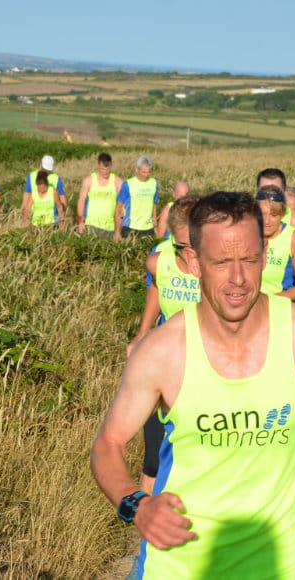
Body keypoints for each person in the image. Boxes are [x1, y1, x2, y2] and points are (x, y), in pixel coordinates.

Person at [90, 191, 295, 579]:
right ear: (193, 262)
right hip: (174, 567)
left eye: (250, 260)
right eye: (221, 262)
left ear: (265, 254)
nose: (238, 279)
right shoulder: (162, 351)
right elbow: (108, 443)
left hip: (278, 567)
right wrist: (136, 504)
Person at [127, 195, 201, 496]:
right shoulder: (159, 262)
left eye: (197, 242)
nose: (191, 252)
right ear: (172, 237)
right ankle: (146, 529)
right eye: (183, 246)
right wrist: (142, 334)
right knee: (153, 456)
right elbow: (157, 292)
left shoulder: (213, 265)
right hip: (166, 364)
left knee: (195, 452)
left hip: (204, 367)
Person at [257, 186, 295, 301]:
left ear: (282, 214)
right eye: (262, 214)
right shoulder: (248, 234)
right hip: (249, 310)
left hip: (278, 308)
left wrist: (269, 300)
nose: (267, 221)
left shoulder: (293, 239)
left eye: (273, 215)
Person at [77, 152, 124, 237]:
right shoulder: (89, 180)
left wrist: (118, 230)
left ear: (111, 165)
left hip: (110, 227)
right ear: (98, 165)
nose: (105, 171)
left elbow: (121, 207)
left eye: (108, 168)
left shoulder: (118, 182)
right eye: (102, 169)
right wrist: (80, 221)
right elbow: (81, 200)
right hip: (91, 225)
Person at [115, 155, 159, 240]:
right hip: (130, 227)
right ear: (136, 170)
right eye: (143, 172)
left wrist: (155, 226)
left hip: (148, 228)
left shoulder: (154, 183)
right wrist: (117, 231)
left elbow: (154, 206)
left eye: (149, 172)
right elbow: (119, 208)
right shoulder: (127, 184)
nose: (146, 175)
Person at [24, 155, 66, 221]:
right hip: (35, 215)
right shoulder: (31, 176)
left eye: (48, 169)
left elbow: (62, 197)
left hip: (53, 216)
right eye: (45, 168)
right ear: (40, 164)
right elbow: (26, 194)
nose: (46, 171)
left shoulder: (56, 178)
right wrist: (25, 213)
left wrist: (62, 215)